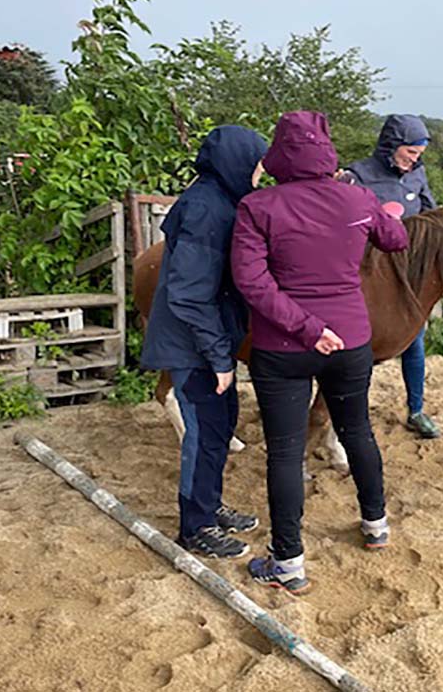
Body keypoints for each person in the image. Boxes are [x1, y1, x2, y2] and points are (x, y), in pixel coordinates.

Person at [231, 110, 409, 594]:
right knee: (358, 430)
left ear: (278, 155)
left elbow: (250, 280)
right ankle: (375, 523)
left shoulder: (257, 206)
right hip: (351, 338)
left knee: (286, 452)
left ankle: (288, 561)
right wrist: (387, 213)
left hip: (283, 344)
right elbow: (396, 240)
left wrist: (306, 328)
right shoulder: (357, 196)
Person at [139, 125, 268, 559]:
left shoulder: (218, 200)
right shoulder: (204, 210)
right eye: (256, 167)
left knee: (220, 425)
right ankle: (195, 528)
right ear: (236, 163)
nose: (258, 176)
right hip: (191, 345)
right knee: (203, 433)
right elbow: (190, 294)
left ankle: (209, 507)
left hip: (206, 342)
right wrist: (218, 357)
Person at [338, 114, 441, 439]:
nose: (416, 159)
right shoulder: (357, 175)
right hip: (367, 275)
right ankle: (352, 414)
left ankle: (416, 409)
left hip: (406, 276)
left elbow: (431, 216)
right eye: (410, 152)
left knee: (414, 340)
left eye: (419, 153)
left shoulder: (418, 176)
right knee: (361, 347)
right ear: (391, 146)